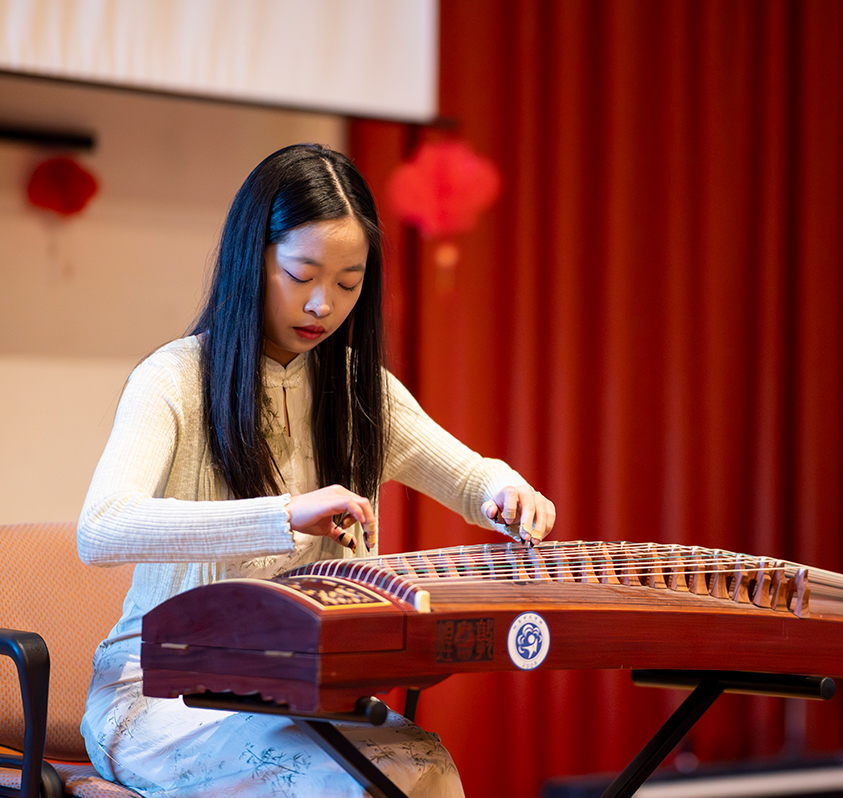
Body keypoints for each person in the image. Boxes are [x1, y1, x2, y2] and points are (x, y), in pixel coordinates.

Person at [76, 143, 555, 798]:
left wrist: (508, 492)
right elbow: (99, 529)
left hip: (296, 698)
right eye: (302, 275)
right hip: (159, 695)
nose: (323, 305)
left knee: (424, 768)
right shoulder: (175, 380)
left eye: (348, 283)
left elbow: (474, 481)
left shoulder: (360, 391)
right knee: (346, 782)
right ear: (255, 258)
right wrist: (281, 516)